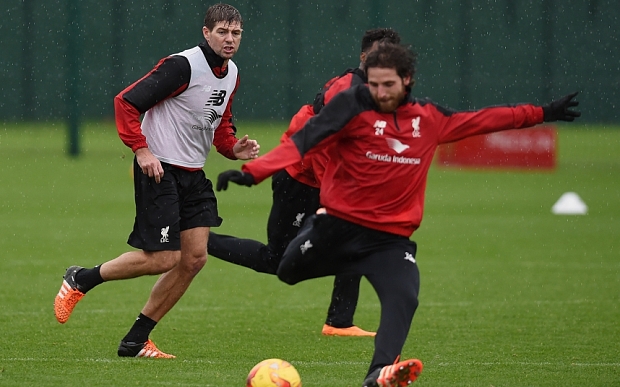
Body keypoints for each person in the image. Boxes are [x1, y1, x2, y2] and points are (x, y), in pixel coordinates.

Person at [216, 43, 581, 386]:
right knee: (286, 269)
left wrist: (543, 113)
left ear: (407, 81)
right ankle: (346, 264)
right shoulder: (351, 108)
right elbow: (303, 141)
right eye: (373, 83)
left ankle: (380, 373)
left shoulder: (430, 118)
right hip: (337, 227)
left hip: (390, 239)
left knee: (403, 298)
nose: (380, 91)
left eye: (388, 84)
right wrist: (252, 174)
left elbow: (485, 119)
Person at [53, 3, 260, 358]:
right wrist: (141, 150)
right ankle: (80, 278)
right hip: (160, 169)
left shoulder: (232, 73)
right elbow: (126, 102)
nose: (229, 39)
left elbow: (219, 121)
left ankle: (135, 341)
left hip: (193, 174)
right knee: (164, 258)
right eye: (222, 32)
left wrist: (233, 148)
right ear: (206, 32)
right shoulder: (182, 65)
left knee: (194, 259)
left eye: (236, 33)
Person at [208, 28, 401, 337]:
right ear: (364, 57)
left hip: (323, 177)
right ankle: (197, 241)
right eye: (380, 57)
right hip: (299, 178)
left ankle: (339, 322)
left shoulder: (383, 91)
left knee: (356, 240)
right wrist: (335, 197)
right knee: (276, 259)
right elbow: (316, 140)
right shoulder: (346, 90)